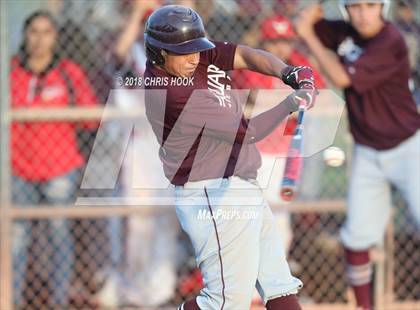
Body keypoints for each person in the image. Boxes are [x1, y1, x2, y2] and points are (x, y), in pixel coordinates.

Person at [143, 5, 317, 310]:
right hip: (213, 194)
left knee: (280, 287)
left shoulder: (192, 56)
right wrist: (290, 102)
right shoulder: (172, 93)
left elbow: (246, 56)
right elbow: (247, 132)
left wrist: (288, 72)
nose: (193, 58)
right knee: (225, 304)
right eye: (183, 53)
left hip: (240, 182)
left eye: (195, 49)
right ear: (158, 54)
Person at [295, 1, 420, 309]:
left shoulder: (389, 41)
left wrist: (308, 35)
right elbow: (310, 23)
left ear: (383, 8)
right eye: (355, 7)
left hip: (407, 148)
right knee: (357, 238)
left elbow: (341, 78)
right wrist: (310, 18)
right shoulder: (344, 33)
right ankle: (365, 307)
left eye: (370, 5)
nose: (363, 14)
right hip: (367, 150)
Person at [10, 11, 99, 308]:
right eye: (33, 31)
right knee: (16, 241)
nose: (39, 38)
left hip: (60, 168)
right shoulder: (11, 71)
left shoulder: (67, 72)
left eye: (46, 31)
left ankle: (58, 303)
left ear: (56, 37)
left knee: (59, 239)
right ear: (24, 35)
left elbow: (90, 119)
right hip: (18, 168)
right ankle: (13, 301)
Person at [394, 0, 420, 106]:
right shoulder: (392, 28)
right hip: (396, 75)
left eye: (408, 8)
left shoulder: (417, 29)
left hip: (415, 75)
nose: (405, 11)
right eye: (403, 8)